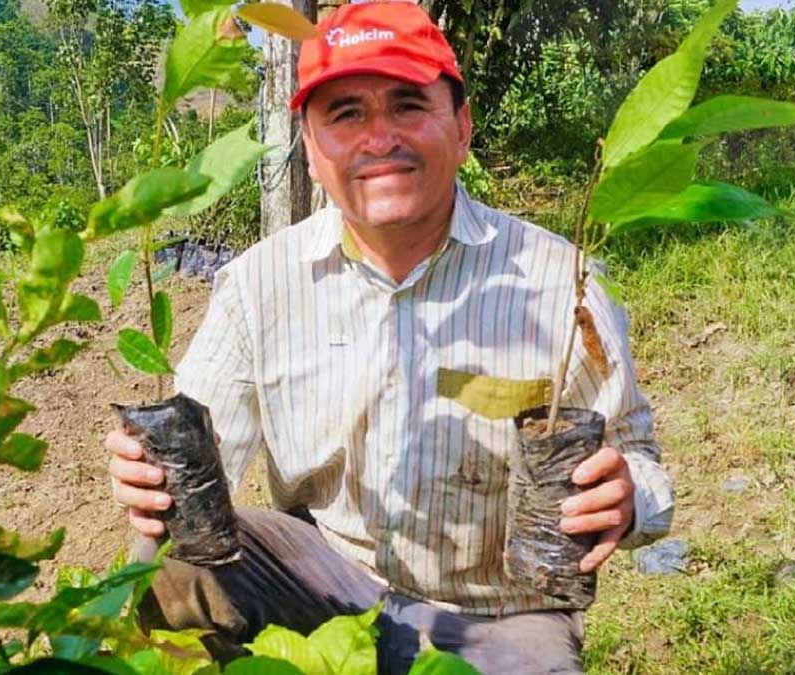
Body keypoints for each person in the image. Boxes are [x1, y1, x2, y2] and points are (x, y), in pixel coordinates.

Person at [106, 2, 674, 672]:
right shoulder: (259, 287)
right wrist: (150, 481)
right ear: (312, 151)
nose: (380, 137)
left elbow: (638, 459)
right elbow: (197, 473)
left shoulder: (560, 282)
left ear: (461, 128)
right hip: (323, 576)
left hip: (501, 614)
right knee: (172, 560)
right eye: (346, 114)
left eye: (408, 105)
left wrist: (628, 498)